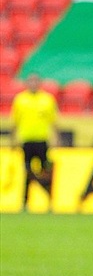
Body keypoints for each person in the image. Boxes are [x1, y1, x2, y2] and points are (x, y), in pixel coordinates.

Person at [10, 74, 59, 211]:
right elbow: (15, 121)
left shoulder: (47, 99)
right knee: (27, 172)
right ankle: (25, 203)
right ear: (26, 83)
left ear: (40, 83)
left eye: (35, 81)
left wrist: (56, 139)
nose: (33, 83)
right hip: (26, 141)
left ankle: (49, 202)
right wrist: (13, 139)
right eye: (30, 81)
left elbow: (53, 121)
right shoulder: (20, 99)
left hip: (42, 141)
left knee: (45, 172)